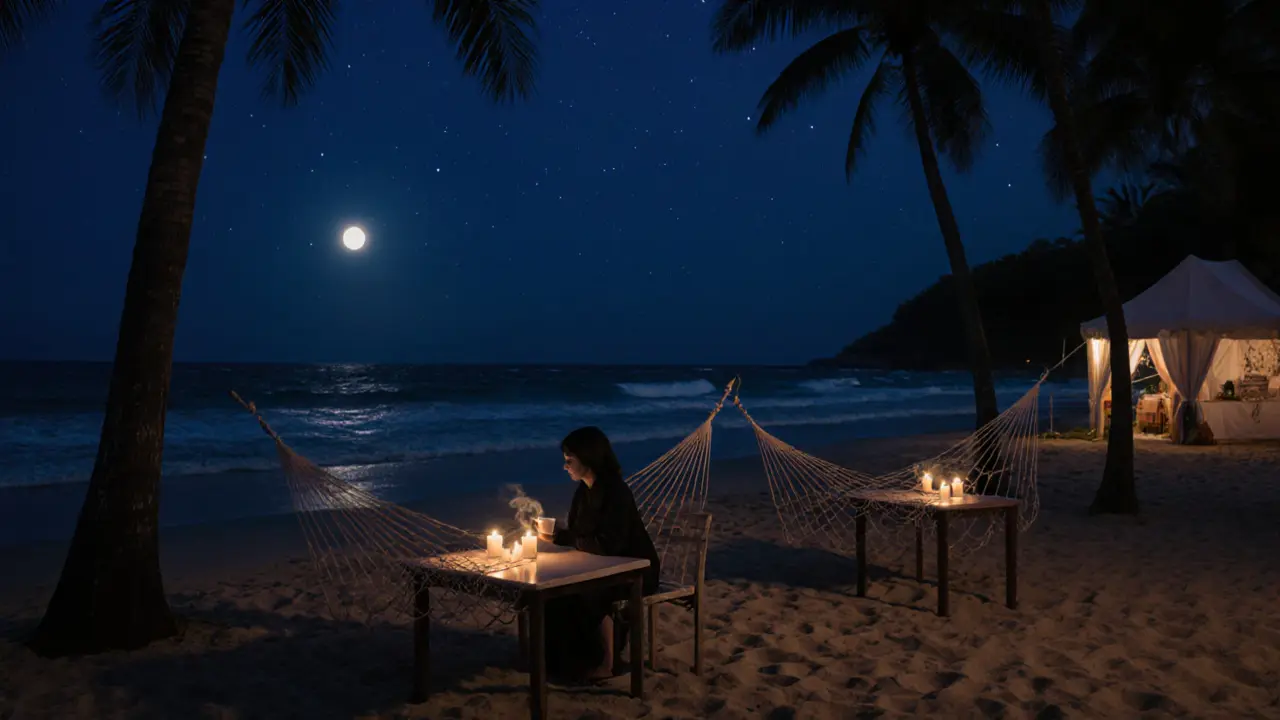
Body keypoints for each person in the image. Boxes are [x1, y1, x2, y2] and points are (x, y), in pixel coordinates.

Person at [535, 426, 660, 681]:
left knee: (588, 594)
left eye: (570, 461)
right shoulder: (584, 491)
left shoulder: (616, 492)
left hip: (634, 568)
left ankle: (605, 663)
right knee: (554, 595)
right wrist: (556, 535)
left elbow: (608, 545)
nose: (565, 466)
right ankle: (562, 664)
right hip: (600, 565)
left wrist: (564, 537)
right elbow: (580, 534)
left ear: (588, 458)